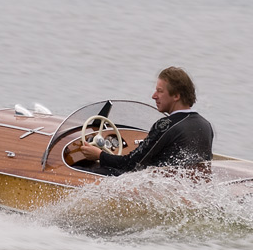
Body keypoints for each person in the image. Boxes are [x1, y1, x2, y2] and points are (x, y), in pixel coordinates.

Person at [79, 67, 214, 174]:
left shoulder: (166, 125)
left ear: (176, 96)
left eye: (160, 91)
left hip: (152, 187)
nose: (154, 96)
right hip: (180, 187)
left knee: (84, 171)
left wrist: (99, 155)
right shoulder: (205, 125)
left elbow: (133, 163)